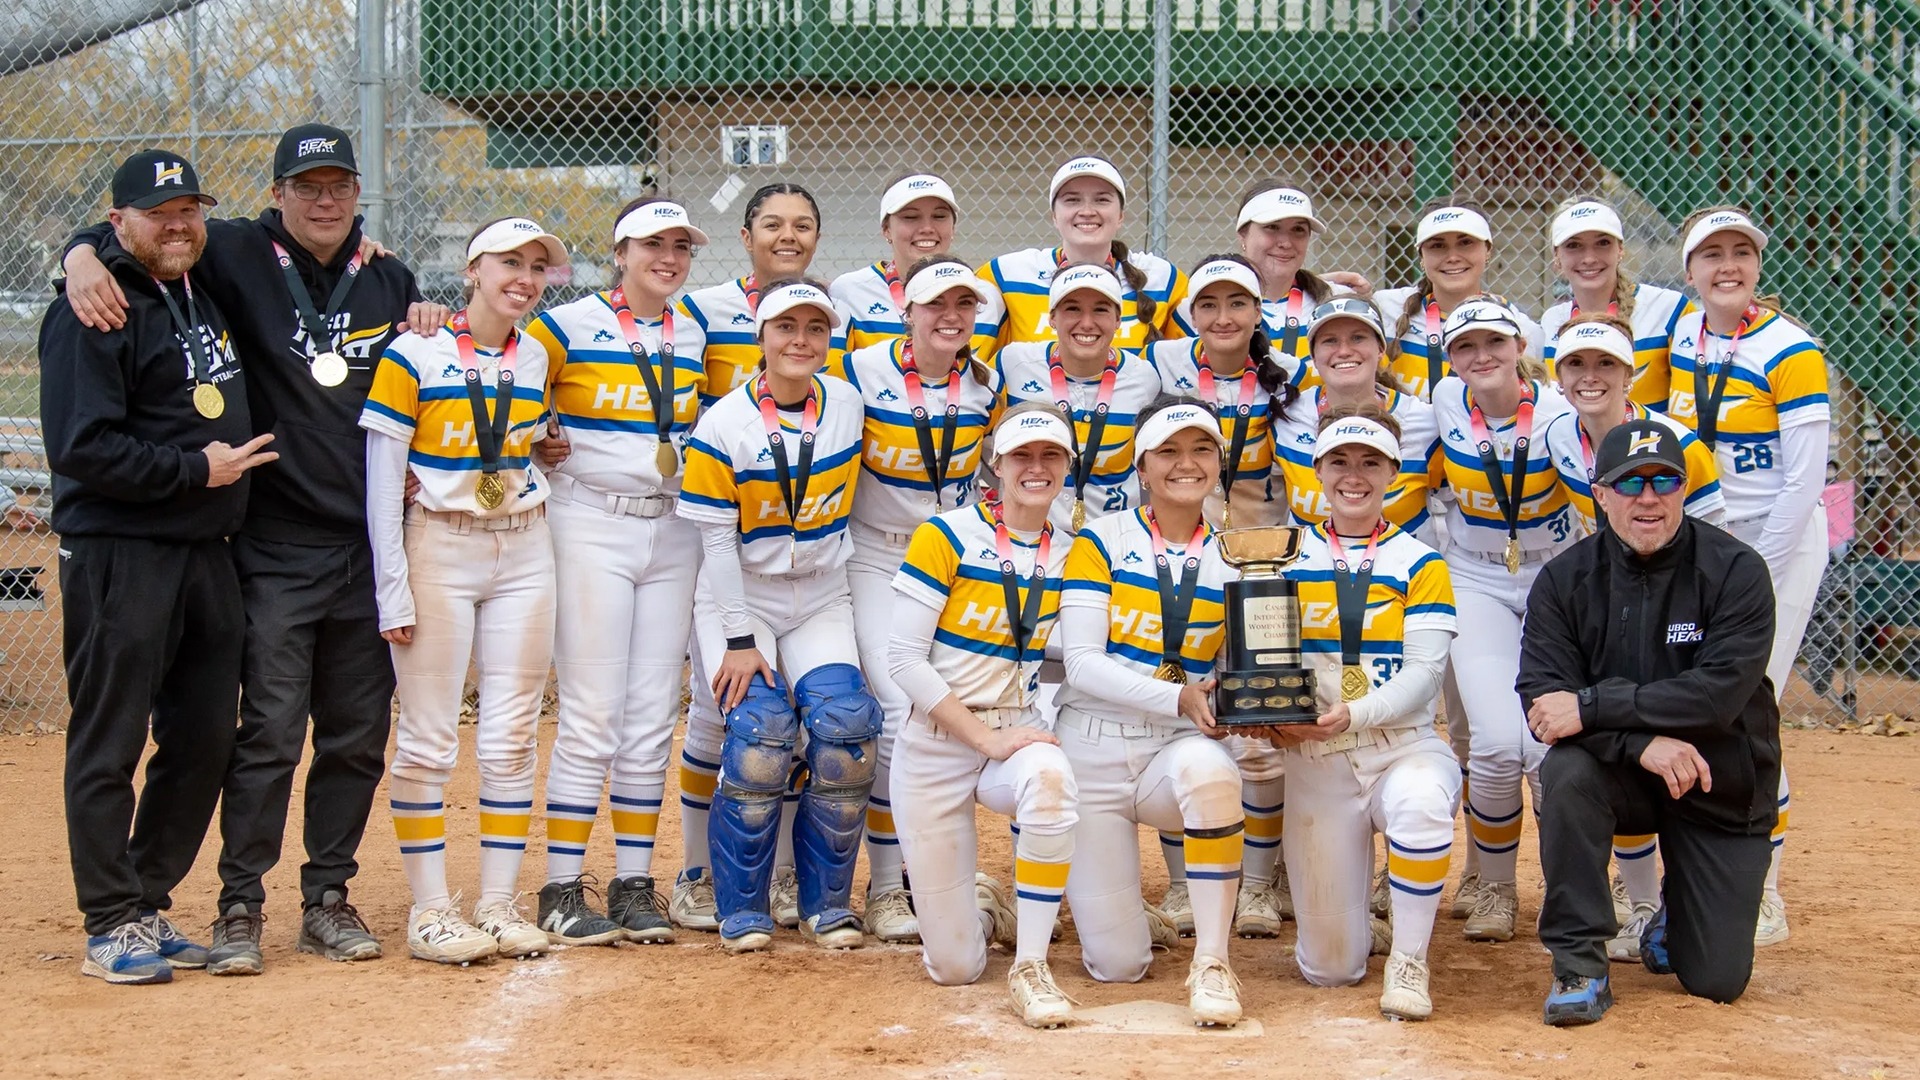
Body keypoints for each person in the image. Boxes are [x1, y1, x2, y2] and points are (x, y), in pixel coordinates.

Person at [60, 123, 439, 975]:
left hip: (368, 549)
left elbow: (431, 387)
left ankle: (327, 900)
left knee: (353, 736)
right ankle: (239, 904)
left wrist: (429, 320)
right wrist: (80, 253)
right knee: (264, 732)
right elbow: (144, 230)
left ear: (358, 194)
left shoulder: (388, 278)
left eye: (339, 184)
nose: (324, 199)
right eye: (306, 186)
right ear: (276, 196)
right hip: (265, 542)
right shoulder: (229, 252)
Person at [41, 150, 276, 984]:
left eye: (189, 210)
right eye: (157, 212)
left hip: (205, 551)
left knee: (206, 736)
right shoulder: (94, 306)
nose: (177, 225)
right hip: (121, 550)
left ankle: (144, 900)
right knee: (110, 737)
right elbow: (80, 445)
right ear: (119, 222)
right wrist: (193, 471)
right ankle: (108, 922)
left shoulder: (196, 283)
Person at [1520, 419, 1781, 1025]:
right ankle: (1579, 963)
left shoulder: (1737, 570)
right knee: (1566, 770)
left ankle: (1678, 911)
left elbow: (1717, 697)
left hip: (1717, 780)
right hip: (1623, 773)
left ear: (1684, 489)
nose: (1648, 497)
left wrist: (1593, 707)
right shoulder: (1564, 579)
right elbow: (1543, 704)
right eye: (1629, 482)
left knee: (1716, 981)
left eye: (1664, 480)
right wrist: (1640, 744)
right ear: (1600, 492)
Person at [359, 216, 568, 965]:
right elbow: (383, 482)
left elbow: (526, 436)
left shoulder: (538, 353)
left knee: (513, 733)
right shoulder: (412, 352)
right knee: (428, 737)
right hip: (438, 544)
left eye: (537, 267)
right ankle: (430, 910)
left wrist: (546, 444)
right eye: (510, 262)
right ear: (474, 269)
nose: (525, 278)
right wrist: (393, 592)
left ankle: (498, 903)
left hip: (524, 543)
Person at [519, 198, 710, 947]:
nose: (668, 257)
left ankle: (634, 880)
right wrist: (538, 441)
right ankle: (563, 885)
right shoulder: (563, 325)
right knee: (594, 711)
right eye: (652, 244)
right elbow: (506, 383)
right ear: (620, 251)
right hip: (591, 519)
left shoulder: (694, 330)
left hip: (672, 528)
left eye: (680, 246)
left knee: (652, 712)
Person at [676, 280, 877, 953]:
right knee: (761, 734)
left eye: (815, 328)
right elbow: (714, 543)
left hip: (821, 590)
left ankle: (824, 904)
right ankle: (742, 906)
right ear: (760, 336)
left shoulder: (847, 403)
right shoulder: (724, 422)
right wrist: (736, 639)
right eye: (785, 326)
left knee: (846, 733)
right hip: (744, 594)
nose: (801, 340)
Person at [1665, 206, 1828, 947]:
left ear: (1758, 265)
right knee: (1690, 703)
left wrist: (1750, 573)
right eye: (1712, 254)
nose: (1727, 266)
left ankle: (1763, 886)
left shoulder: (1790, 349)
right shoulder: (1681, 337)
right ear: (1691, 268)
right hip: (1700, 546)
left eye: (1741, 253)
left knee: (1744, 707)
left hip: (1773, 549)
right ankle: (1677, 875)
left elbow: (1803, 481)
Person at [1057, 399, 1248, 1027]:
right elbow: (1081, 662)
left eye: (1200, 451)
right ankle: (1130, 922)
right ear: (1142, 466)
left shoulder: (1238, 553)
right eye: (1168, 451)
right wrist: (1179, 695)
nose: (1185, 464)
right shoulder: (1100, 540)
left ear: (1218, 464)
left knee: (1215, 775)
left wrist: (1259, 701)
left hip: (1174, 748)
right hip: (1092, 746)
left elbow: (1236, 666)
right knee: (1118, 964)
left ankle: (1213, 961)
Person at [1263, 408, 1459, 1021]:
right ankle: (1355, 925)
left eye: (1371, 462)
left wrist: (1354, 713)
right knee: (1330, 969)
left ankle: (1408, 957)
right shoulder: (1282, 557)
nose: (1355, 475)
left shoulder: (1420, 562)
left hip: (1401, 744)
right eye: (1340, 462)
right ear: (1317, 471)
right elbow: (1260, 657)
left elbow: (1426, 673)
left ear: (1393, 473)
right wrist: (1265, 710)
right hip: (1316, 759)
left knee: (1422, 804)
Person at [1541, 313, 1727, 959]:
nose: (1591, 377)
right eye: (1577, 366)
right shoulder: (1559, 436)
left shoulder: (1677, 441)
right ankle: (1642, 902)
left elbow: (1713, 544)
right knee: (1605, 748)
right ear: (1558, 379)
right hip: (1618, 584)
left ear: (1630, 374)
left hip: (1693, 591)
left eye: (1607, 366)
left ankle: (1741, 890)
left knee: (1739, 721)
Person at [888, 404, 1078, 1027]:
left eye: (1051, 455)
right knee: (955, 967)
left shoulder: (1075, 552)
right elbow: (903, 660)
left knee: (1051, 780)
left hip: (1016, 729)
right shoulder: (944, 536)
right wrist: (982, 738)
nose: (1036, 467)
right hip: (940, 736)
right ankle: (986, 908)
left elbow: (1072, 656)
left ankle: (1031, 965)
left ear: (1068, 466)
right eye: (1022, 455)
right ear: (996, 465)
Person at [843, 257, 1000, 944]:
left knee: (950, 705)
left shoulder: (983, 380)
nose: (951, 318)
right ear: (907, 309)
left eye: (964, 306)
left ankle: (927, 874)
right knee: (900, 706)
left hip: (953, 557)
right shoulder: (860, 370)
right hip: (878, 552)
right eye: (937, 304)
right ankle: (884, 887)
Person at [1143, 253, 1295, 936]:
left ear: (1261, 311)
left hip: (1260, 560)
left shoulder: (1290, 377)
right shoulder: (1160, 365)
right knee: (1184, 705)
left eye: (1239, 303)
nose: (1224, 317)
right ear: (1189, 313)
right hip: (1182, 548)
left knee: (1260, 716)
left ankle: (1260, 883)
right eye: (1208, 304)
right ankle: (1181, 883)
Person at [1428, 295, 1577, 942]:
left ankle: (1570, 889)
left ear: (1521, 346)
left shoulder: (1561, 413)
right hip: (1476, 574)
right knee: (1493, 744)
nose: (1481, 356)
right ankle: (1495, 888)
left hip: (1554, 574)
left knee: (1548, 745)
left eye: (1494, 342)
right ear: (1451, 358)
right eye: (1465, 347)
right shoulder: (1442, 401)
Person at [994, 262, 1163, 533]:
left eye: (1100, 310)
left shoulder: (1144, 378)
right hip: (1028, 537)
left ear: (1118, 319)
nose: (1087, 323)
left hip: (1113, 542)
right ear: (1051, 317)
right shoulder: (1013, 363)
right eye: (1072, 308)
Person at [980, 156, 1188, 352]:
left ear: (1121, 216)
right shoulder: (1007, 274)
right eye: (1072, 200)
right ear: (1054, 215)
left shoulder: (1162, 279)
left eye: (1101, 200)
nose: (1087, 211)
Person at [1271, 297, 1441, 537]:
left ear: (1381, 349)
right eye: (1330, 341)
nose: (1344, 351)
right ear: (1313, 355)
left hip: (1405, 570)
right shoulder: (1286, 415)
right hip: (1312, 569)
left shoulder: (1424, 421)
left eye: (1358, 338)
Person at [1377, 201, 1546, 401]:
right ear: (1421, 256)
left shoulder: (1521, 328)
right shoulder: (1386, 307)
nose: (1453, 257)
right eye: (1438, 245)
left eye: (1465, 243)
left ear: (1488, 250)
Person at [1539, 197, 1694, 407]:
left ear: (1620, 249)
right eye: (1574, 245)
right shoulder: (1551, 322)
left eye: (1603, 243)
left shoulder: (1668, 309)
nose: (1589, 258)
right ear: (1556, 256)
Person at [830, 173, 1001, 359]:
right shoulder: (850, 291)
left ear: (953, 228)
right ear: (886, 228)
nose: (927, 228)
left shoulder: (987, 297)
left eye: (939, 216)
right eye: (911, 217)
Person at [1229, 180, 1369, 388]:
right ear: (1243, 234)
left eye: (1298, 230)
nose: (1285, 243)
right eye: (1272, 227)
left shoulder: (1338, 301)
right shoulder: (1210, 304)